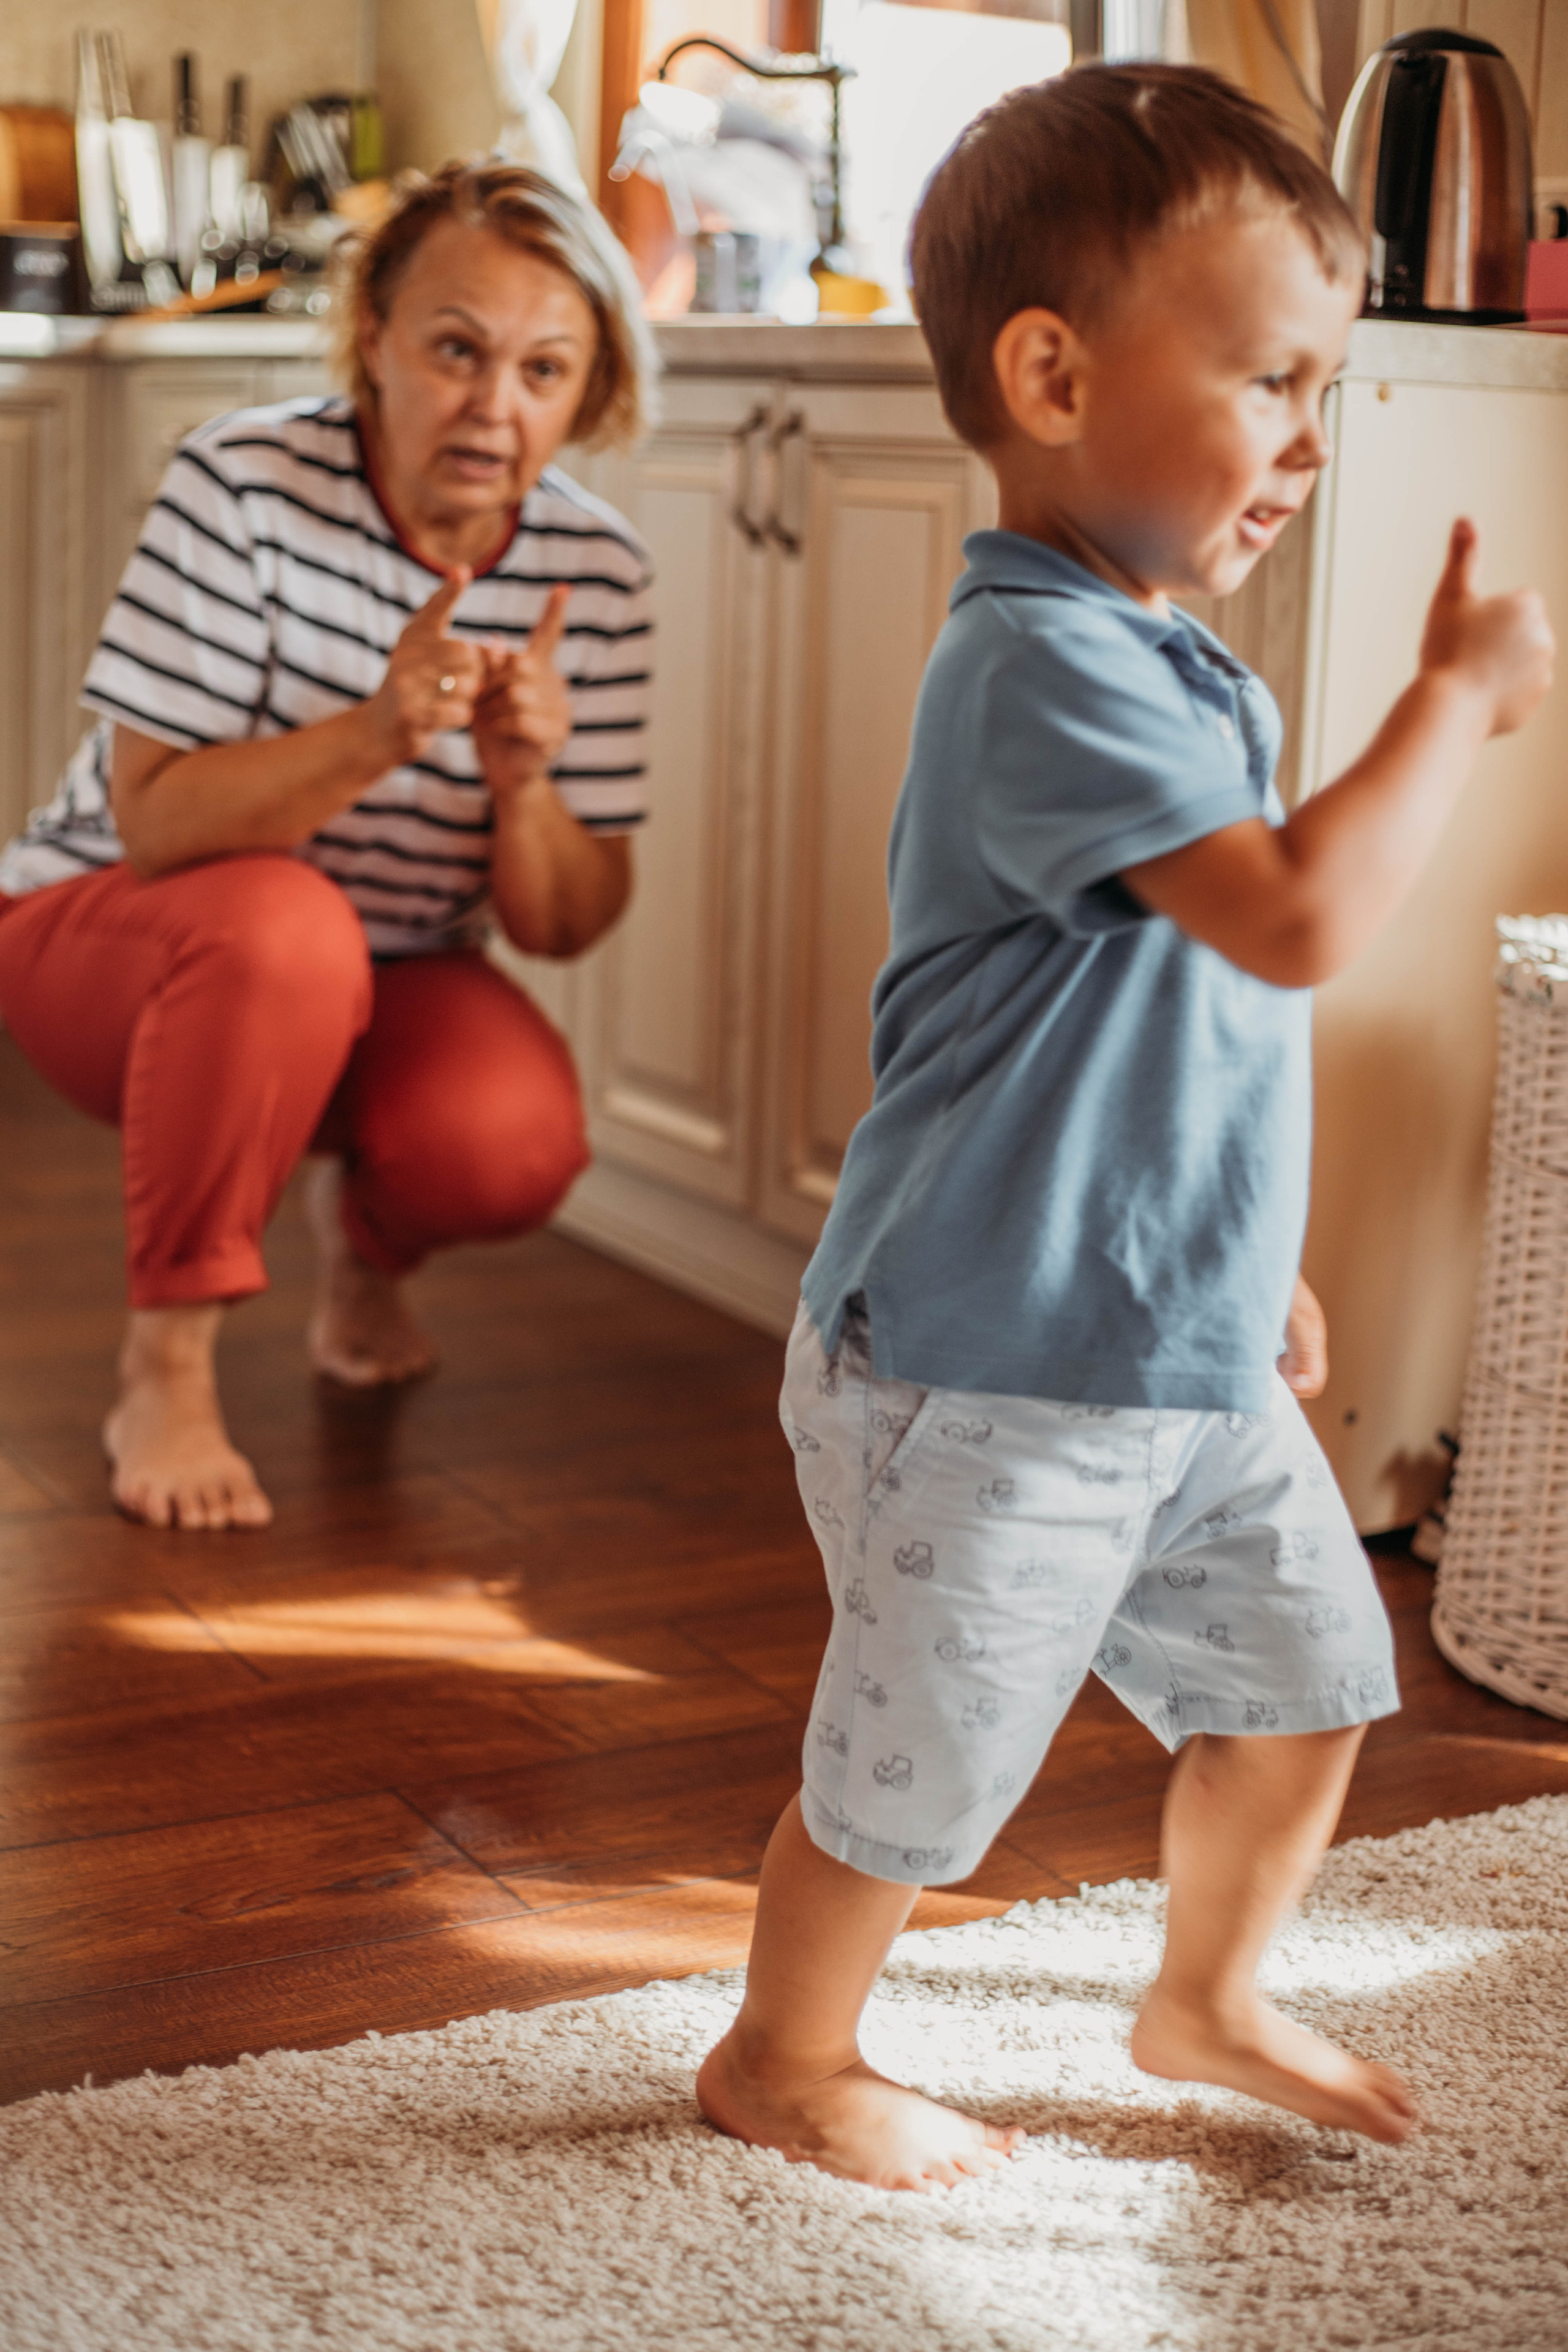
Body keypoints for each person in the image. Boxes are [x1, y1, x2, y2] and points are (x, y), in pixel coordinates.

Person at [696, 64, 1554, 2192]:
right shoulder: (1039, 665)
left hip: (1165, 1340)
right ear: (1053, 375)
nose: (1308, 437)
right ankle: (781, 2055)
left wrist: (1259, 1260)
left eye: (1328, 386)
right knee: (916, 1769)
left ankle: (1212, 1992)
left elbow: (1187, 1032)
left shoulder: (1172, 667)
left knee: (1307, 1682)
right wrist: (1448, 703)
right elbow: (1288, 925)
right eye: (1270, 377)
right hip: (984, 1366)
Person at [0, 161, 657, 1532]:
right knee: (282, 926)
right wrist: (376, 733)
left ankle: (364, 1258)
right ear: (373, 335)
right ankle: (164, 1367)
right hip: (105, 931)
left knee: (512, 1140)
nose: (494, 406)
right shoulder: (240, 481)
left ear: (586, 391)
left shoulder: (596, 574)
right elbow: (160, 824)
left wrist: (524, 784)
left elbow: (561, 922)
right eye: (456, 350)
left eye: (545, 370)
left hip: (388, 968)